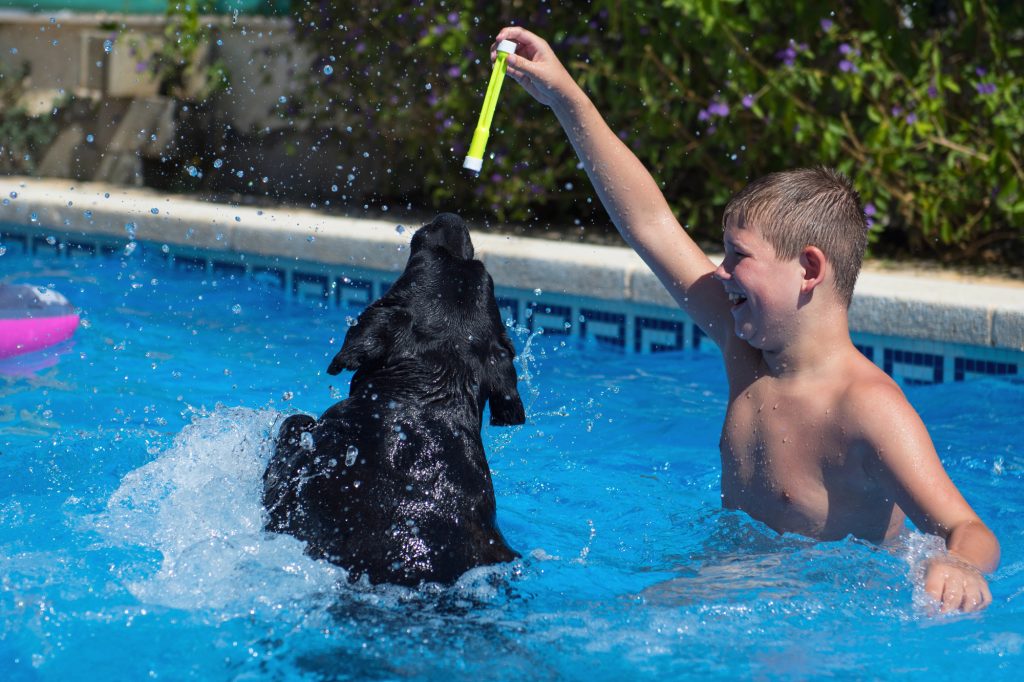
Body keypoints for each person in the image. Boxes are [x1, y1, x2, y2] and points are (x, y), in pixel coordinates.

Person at [492, 26, 1000, 613]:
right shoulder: (748, 350)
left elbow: (968, 527)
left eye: (740, 257)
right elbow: (652, 225)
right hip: (735, 584)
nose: (722, 273)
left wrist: (956, 565)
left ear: (808, 269)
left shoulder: (867, 408)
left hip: (816, 615)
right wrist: (569, 101)